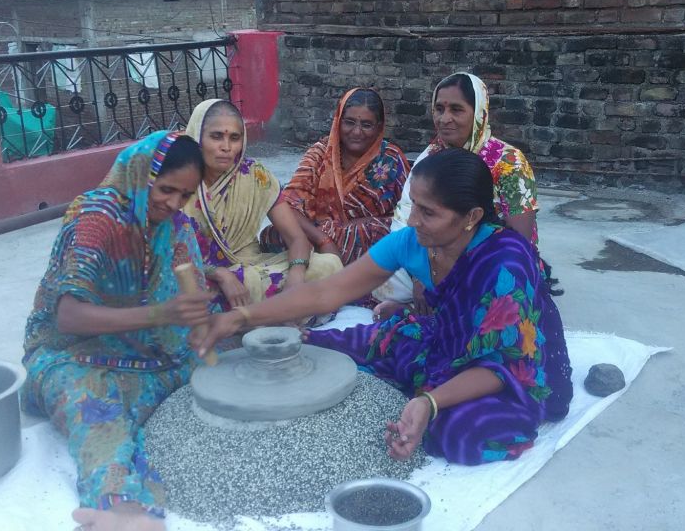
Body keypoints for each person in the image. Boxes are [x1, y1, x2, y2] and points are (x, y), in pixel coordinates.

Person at [198, 149, 572, 466]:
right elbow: (326, 293)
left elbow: (505, 364)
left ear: (472, 217)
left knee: (461, 432)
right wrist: (240, 317)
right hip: (449, 340)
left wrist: (430, 402)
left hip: (514, 362)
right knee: (360, 341)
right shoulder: (413, 241)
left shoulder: (505, 261)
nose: (412, 220)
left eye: (428, 212)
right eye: (414, 206)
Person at [21, 131, 213, 531]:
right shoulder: (97, 218)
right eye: (166, 189)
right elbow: (69, 317)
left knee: (217, 371)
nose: (173, 203)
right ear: (141, 174)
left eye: (184, 195)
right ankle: (118, 506)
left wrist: (197, 324)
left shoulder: (175, 226)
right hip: (72, 355)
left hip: (146, 353)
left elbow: (189, 301)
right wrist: (160, 314)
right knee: (98, 414)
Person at [376, 72, 542, 307]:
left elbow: (519, 241)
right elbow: (407, 219)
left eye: (456, 109)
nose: (445, 119)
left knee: (497, 294)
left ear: (479, 113)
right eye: (439, 109)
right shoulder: (431, 156)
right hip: (434, 255)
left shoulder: (509, 163)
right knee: (383, 277)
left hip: (488, 257)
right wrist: (419, 274)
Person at [181, 99, 343, 311]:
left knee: (328, 265)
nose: (226, 147)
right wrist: (219, 273)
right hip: (199, 275)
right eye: (216, 136)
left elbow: (296, 239)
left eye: (234, 138)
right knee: (188, 291)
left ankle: (263, 310)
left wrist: (296, 275)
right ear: (197, 136)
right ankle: (279, 311)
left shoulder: (255, 175)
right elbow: (166, 255)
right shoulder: (177, 180)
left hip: (251, 266)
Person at [259, 88, 410, 264]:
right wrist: (324, 240)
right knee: (275, 234)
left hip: (367, 236)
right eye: (349, 122)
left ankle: (324, 262)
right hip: (315, 233)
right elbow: (288, 206)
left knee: (387, 235)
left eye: (366, 125)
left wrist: (358, 224)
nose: (356, 132)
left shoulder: (391, 159)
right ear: (338, 121)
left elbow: (409, 214)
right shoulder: (320, 153)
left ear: (379, 127)